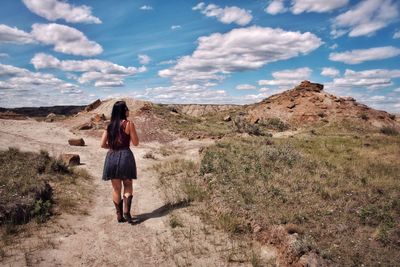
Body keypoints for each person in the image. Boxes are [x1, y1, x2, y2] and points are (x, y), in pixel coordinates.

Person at [101, 100, 139, 223]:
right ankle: (127, 210)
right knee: (128, 185)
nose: (128, 110)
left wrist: (112, 148)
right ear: (123, 111)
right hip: (126, 157)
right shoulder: (129, 124)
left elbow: (102, 144)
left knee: (116, 188)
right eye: (127, 108)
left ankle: (119, 215)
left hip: (111, 157)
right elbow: (136, 143)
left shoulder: (109, 125)